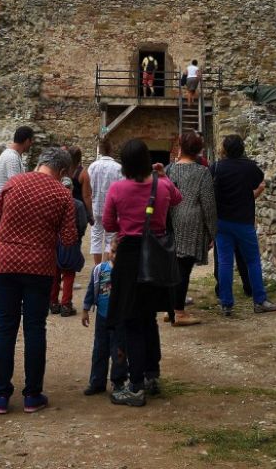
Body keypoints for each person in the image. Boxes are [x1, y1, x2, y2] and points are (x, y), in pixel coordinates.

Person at [0, 147, 77, 414]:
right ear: (62, 172)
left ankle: (0, 395)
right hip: (39, 267)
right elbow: (70, 238)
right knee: (35, 328)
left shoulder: (13, 183)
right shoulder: (61, 193)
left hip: (5, 263)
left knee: (5, 328)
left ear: (39, 163)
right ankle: (32, 395)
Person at [103, 138, 182, 407]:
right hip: (155, 255)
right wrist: (162, 176)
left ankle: (135, 386)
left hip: (129, 257)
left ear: (124, 163)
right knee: (148, 318)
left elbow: (108, 222)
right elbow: (178, 199)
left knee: (133, 321)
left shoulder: (118, 189)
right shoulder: (162, 186)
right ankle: (151, 373)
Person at [211, 134, 276, 317]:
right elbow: (258, 184)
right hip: (244, 222)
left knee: (225, 262)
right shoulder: (249, 167)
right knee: (252, 261)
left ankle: (226, 303)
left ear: (224, 149)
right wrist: (254, 193)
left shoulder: (216, 167)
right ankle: (259, 300)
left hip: (222, 222)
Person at [166, 131, 217, 326]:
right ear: (198, 151)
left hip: (171, 221)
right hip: (191, 224)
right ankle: (178, 312)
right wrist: (213, 231)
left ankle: (171, 308)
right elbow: (209, 206)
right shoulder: (202, 172)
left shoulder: (170, 170)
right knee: (183, 269)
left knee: (174, 268)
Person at [81, 238, 128, 396]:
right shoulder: (100, 269)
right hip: (102, 317)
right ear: (108, 251)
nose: (115, 256)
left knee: (119, 351)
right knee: (99, 350)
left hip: (120, 318)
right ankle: (97, 381)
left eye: (119, 253)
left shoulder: (127, 272)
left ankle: (118, 382)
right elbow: (91, 290)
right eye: (113, 252)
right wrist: (85, 310)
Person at [50, 175, 88, 317]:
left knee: (55, 272)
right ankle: (66, 304)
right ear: (71, 188)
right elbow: (82, 224)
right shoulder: (77, 204)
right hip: (71, 241)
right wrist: (78, 236)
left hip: (56, 240)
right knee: (69, 273)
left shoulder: (54, 202)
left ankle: (53, 302)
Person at [88, 139, 122, 264]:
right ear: (111, 150)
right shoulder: (118, 168)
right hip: (112, 208)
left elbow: (88, 187)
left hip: (96, 206)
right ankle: (105, 267)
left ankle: (97, 267)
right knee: (110, 238)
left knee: (96, 237)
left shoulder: (92, 167)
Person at [0, 126, 34, 195]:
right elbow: (16, 188)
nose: (32, 143)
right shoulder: (11, 158)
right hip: (6, 204)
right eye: (31, 140)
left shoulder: (12, 155)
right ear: (27, 141)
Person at [68, 145, 93, 222]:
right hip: (78, 209)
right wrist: (90, 213)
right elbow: (86, 196)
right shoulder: (83, 173)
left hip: (65, 205)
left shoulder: (63, 169)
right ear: (80, 157)